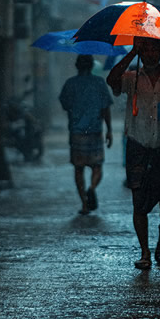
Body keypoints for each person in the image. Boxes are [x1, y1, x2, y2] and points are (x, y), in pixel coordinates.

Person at [107, 36, 160, 269]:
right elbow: (111, 79)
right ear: (142, 52)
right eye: (146, 50)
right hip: (137, 148)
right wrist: (132, 53)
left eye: (155, 49)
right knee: (138, 204)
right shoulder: (131, 79)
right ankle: (145, 252)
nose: (151, 54)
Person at [59, 54, 113, 215]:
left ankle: (84, 204)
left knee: (78, 168)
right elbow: (106, 108)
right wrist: (109, 129)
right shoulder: (99, 83)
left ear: (77, 66)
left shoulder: (70, 84)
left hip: (76, 132)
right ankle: (92, 187)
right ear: (91, 66)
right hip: (95, 131)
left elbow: (65, 105)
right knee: (97, 166)